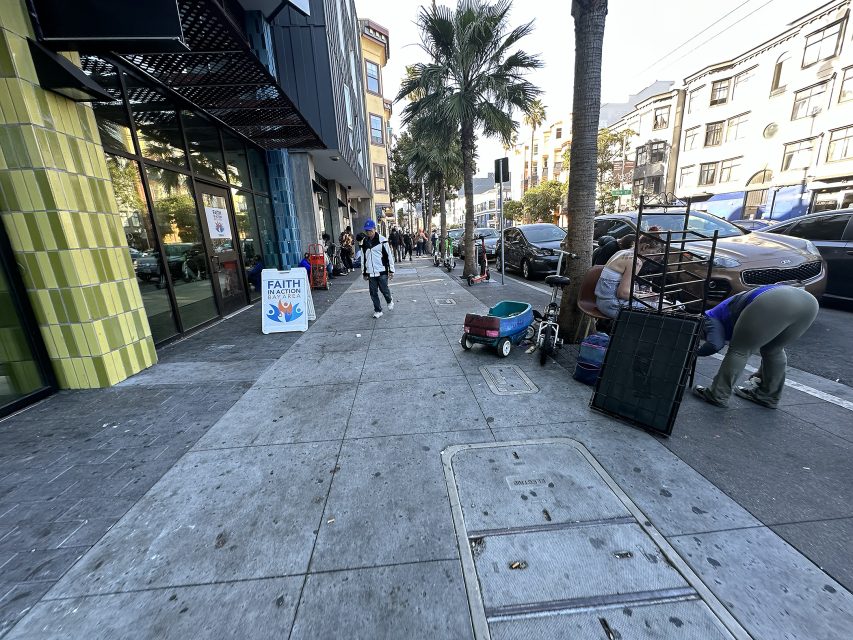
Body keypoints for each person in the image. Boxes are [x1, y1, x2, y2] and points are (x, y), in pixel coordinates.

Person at [693, 284, 818, 409]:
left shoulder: (710, 316)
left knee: (739, 350)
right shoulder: (733, 306)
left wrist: (693, 353)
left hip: (775, 300)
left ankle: (717, 394)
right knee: (773, 349)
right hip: (809, 303)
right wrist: (760, 372)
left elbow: (715, 345)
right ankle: (768, 396)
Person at [593, 236, 657, 319]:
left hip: (601, 302)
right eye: (652, 253)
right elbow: (622, 293)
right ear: (645, 247)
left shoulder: (621, 252)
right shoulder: (635, 261)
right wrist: (646, 297)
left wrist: (642, 294)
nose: (652, 258)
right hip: (613, 306)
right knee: (664, 309)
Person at [361, 219, 395, 318]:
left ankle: (389, 300)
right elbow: (363, 258)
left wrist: (391, 270)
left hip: (382, 270)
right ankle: (378, 310)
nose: (369, 233)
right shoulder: (364, 242)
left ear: (375, 229)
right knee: (373, 292)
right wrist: (364, 272)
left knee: (384, 290)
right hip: (370, 272)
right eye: (367, 231)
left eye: (370, 230)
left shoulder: (382, 240)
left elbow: (389, 255)